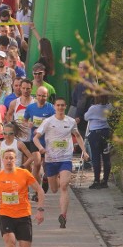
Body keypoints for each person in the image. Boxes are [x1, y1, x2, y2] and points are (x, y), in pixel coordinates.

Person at [34, 96, 86, 228]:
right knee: (54, 189)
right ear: (54, 107)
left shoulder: (71, 121)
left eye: (63, 105)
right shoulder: (48, 121)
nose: (61, 108)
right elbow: (36, 138)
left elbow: (78, 136)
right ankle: (46, 178)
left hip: (65, 158)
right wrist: (41, 148)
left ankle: (63, 215)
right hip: (51, 159)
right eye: (58, 105)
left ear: (66, 107)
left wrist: (84, 151)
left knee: (64, 186)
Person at [84, 94, 113, 189]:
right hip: (106, 133)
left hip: (95, 134)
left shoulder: (93, 108)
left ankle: (96, 180)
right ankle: (105, 181)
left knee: (96, 157)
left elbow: (86, 117)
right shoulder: (110, 106)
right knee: (106, 157)